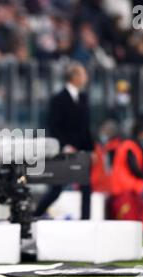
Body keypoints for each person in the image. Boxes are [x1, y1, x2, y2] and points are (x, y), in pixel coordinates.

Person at [34, 62, 93, 220]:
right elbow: (54, 126)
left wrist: (91, 149)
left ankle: (86, 221)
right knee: (57, 188)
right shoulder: (58, 99)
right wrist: (65, 145)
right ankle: (35, 215)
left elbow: (86, 127)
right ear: (74, 77)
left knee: (86, 187)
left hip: (81, 151)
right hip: (64, 150)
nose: (85, 77)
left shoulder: (83, 98)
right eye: (82, 74)